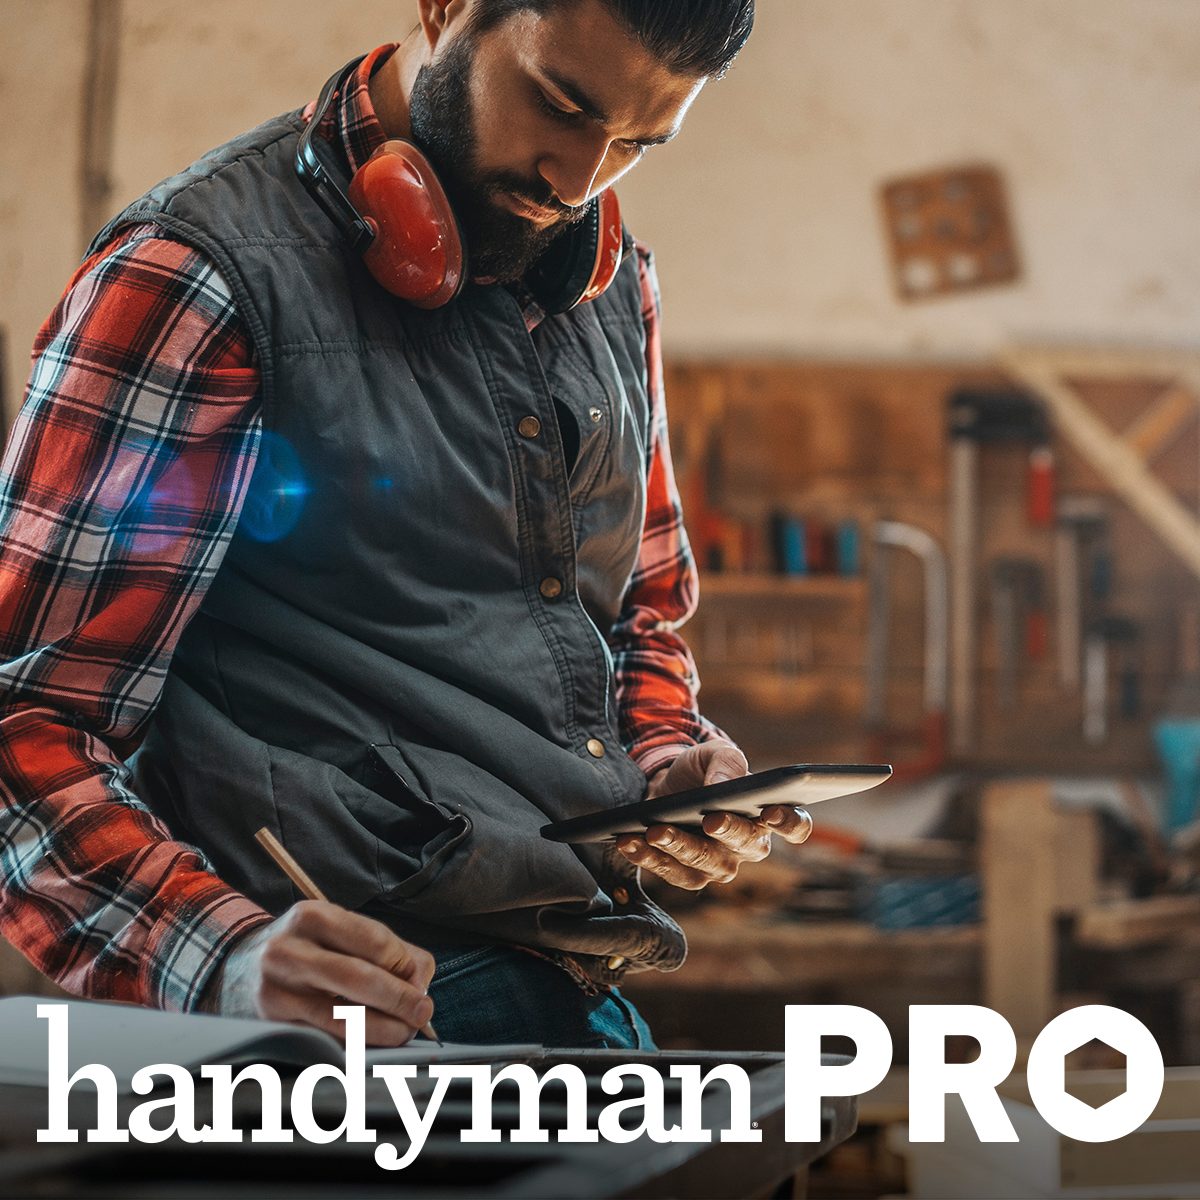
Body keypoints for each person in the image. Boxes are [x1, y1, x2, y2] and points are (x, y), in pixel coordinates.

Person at [0, 0, 811, 1050]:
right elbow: (26, 722)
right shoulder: (197, 280)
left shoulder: (615, 290)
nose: (578, 181)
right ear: (446, 9)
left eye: (636, 144)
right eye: (560, 104)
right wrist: (227, 959)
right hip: (341, 1031)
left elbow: (638, 613)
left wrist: (666, 765)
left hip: (568, 989)